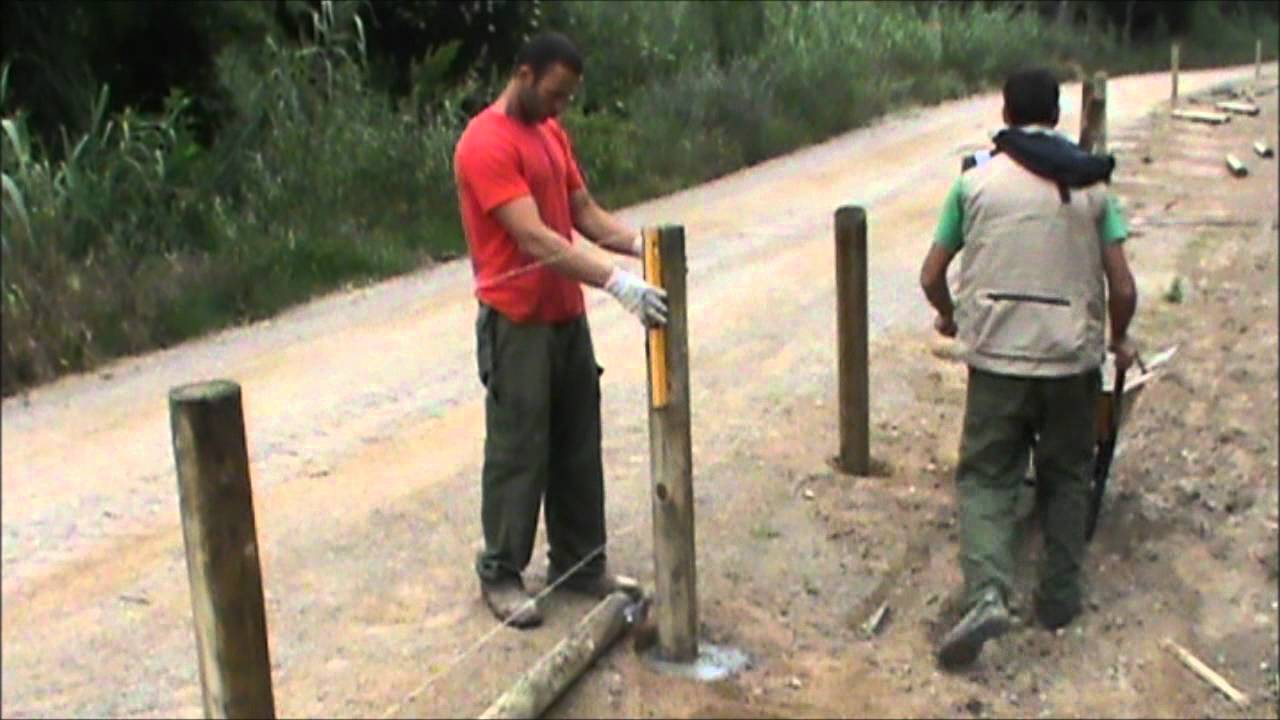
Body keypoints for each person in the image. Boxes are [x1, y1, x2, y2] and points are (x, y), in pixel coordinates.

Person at [919, 68, 1139, 668]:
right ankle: (1058, 600)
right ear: (1057, 115)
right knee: (1067, 475)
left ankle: (988, 592)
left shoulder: (973, 185)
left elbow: (931, 275)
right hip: (1071, 361)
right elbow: (1123, 286)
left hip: (997, 360)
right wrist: (1119, 338)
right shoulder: (1093, 187)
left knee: (988, 477)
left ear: (1006, 114)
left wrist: (951, 316)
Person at [453, 31, 665, 628]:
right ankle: (501, 572)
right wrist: (616, 283)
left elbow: (583, 213)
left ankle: (579, 564)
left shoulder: (550, 133)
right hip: (516, 319)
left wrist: (645, 246)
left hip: (565, 316)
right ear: (523, 75)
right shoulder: (484, 143)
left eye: (568, 97)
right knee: (520, 447)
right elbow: (535, 238)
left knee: (577, 441)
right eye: (555, 93)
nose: (561, 107)